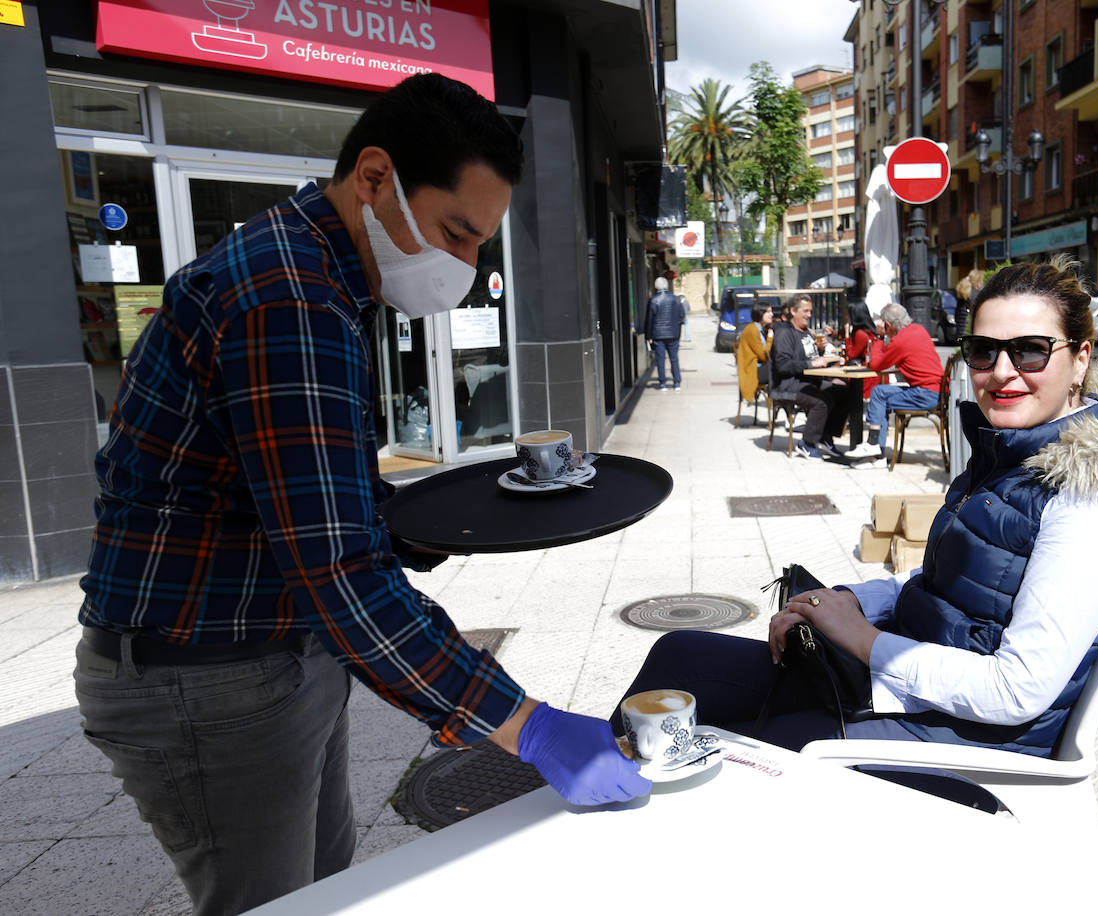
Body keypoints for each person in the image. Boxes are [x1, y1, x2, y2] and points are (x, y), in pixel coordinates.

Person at [74, 74, 649, 916]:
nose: (465, 269)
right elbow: (337, 572)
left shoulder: (325, 275)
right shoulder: (289, 296)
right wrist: (528, 724)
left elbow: (295, 488)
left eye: (479, 245)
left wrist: (421, 522)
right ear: (375, 178)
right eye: (455, 234)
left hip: (270, 651)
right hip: (208, 673)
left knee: (328, 890)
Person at [613, 256, 1098, 755]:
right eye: (983, 350)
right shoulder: (1009, 450)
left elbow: (1017, 690)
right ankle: (602, 788)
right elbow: (940, 584)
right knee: (679, 658)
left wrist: (864, 640)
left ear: (1081, 358)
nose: (1001, 371)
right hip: (904, 681)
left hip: (964, 737)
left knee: (751, 748)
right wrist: (840, 601)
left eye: (1031, 350)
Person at [846, 302, 944, 460]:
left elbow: (876, 365)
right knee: (881, 395)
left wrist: (879, 337)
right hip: (937, 392)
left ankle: (874, 444)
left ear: (889, 325)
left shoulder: (900, 341)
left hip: (924, 394)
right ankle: (877, 454)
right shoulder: (919, 330)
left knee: (879, 394)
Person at [769, 293, 849, 459]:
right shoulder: (784, 333)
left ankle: (825, 436)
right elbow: (783, 365)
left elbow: (809, 358)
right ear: (793, 311)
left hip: (809, 380)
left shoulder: (806, 332)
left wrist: (819, 350)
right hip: (788, 384)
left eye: (810, 311)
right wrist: (810, 364)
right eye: (805, 311)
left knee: (843, 392)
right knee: (822, 401)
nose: (809, 315)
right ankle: (807, 443)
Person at [643, 276, 687, 390]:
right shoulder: (676, 299)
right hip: (673, 334)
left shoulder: (653, 300)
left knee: (660, 359)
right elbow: (682, 316)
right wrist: (676, 325)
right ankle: (676, 382)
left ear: (655, 286)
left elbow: (649, 320)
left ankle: (663, 383)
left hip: (658, 335)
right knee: (674, 358)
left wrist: (648, 336)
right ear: (667, 286)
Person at [735, 300, 774, 404]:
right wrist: (770, 339)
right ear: (760, 313)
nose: (772, 314)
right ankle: (781, 401)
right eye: (768, 312)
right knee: (780, 369)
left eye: (771, 311)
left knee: (784, 368)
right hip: (752, 371)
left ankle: (783, 401)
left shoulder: (762, 329)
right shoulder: (752, 330)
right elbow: (764, 356)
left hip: (760, 368)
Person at [843, 301, 882, 399]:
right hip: (876, 375)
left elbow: (851, 355)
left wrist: (847, 335)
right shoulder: (871, 331)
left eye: (847, 314)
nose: (846, 317)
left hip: (866, 377)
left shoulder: (860, 334)